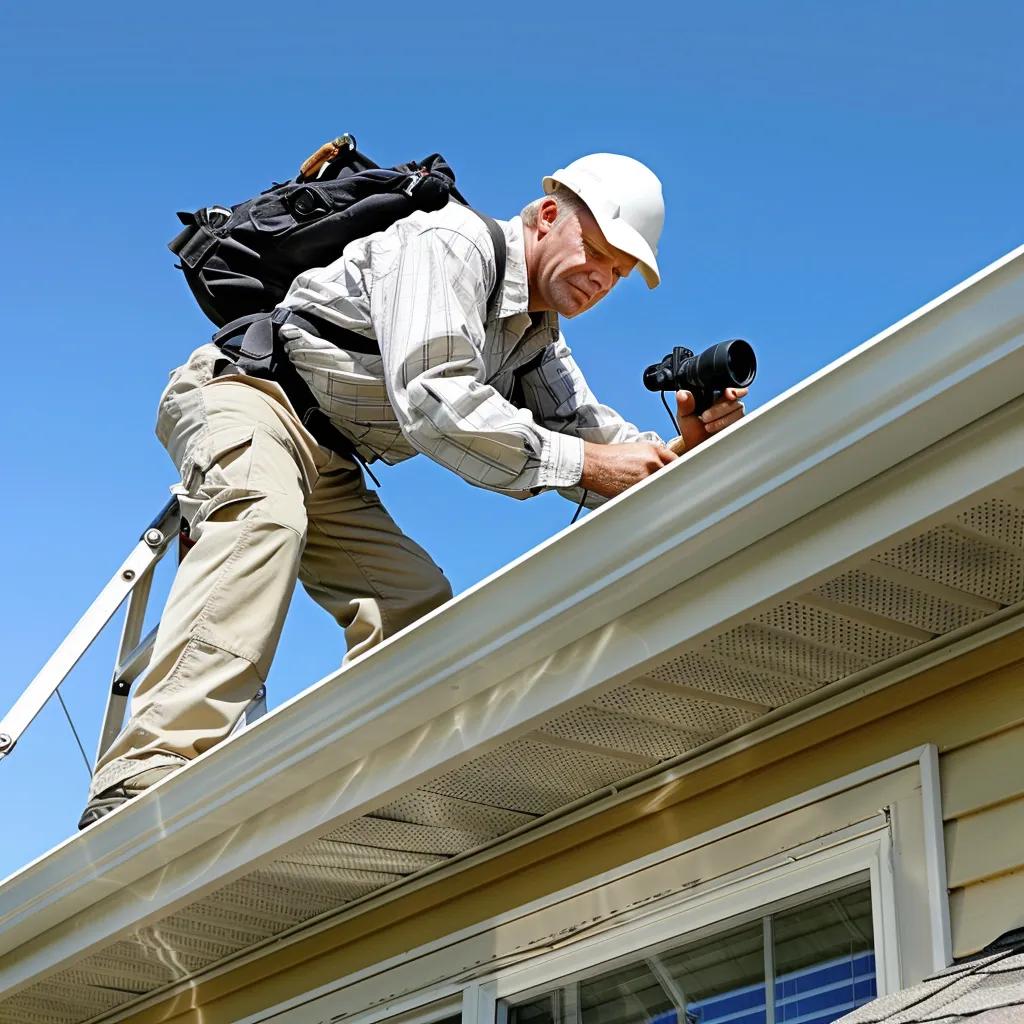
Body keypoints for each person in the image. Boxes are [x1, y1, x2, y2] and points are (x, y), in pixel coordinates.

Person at [78, 153, 748, 828]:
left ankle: (370, 787)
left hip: (331, 455)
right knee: (265, 521)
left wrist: (682, 451)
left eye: (620, 273)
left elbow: (590, 433)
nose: (603, 279)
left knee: (413, 607)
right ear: (548, 216)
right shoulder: (450, 242)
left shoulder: (536, 337)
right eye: (599, 253)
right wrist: (589, 466)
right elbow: (437, 401)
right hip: (250, 395)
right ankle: (148, 774)